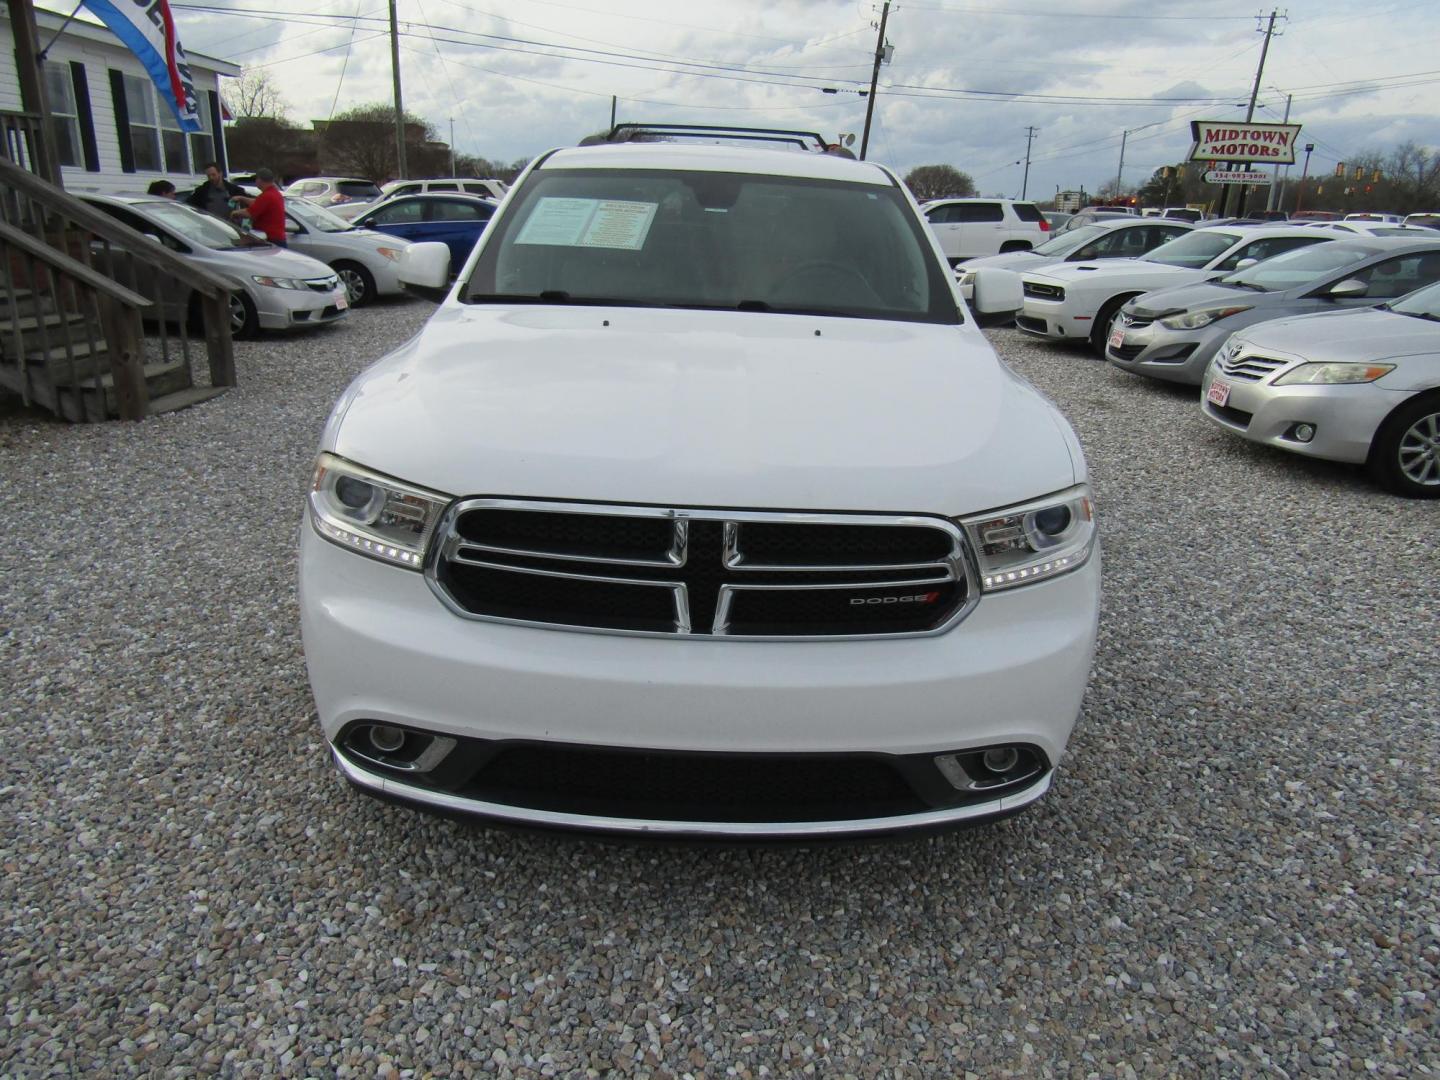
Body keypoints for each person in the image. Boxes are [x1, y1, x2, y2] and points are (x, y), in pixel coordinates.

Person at [231, 167, 287, 246]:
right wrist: (241, 198)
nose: (255, 181)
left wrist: (235, 213)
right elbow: (257, 203)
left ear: (260, 180)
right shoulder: (274, 193)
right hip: (278, 238)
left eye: (256, 179)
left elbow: (249, 213)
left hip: (271, 239)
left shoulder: (267, 196)